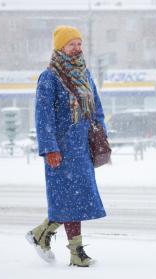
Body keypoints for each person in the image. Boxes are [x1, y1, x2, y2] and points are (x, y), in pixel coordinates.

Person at [25, 25, 107, 267]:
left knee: (76, 199)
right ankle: (76, 252)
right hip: (60, 150)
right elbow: (43, 117)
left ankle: (42, 234)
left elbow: (97, 108)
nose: (77, 48)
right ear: (60, 47)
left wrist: (100, 133)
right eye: (72, 44)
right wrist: (50, 148)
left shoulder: (85, 74)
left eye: (79, 43)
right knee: (69, 199)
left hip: (82, 147)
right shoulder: (49, 77)